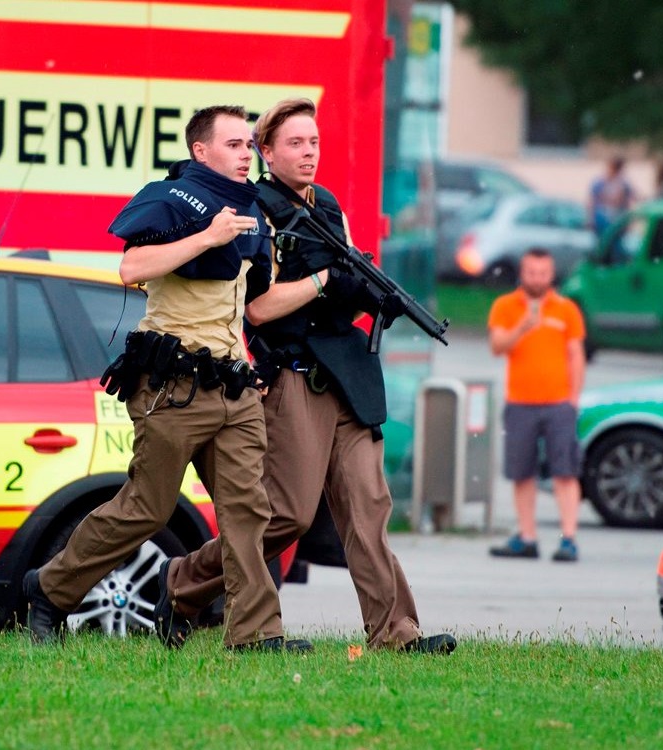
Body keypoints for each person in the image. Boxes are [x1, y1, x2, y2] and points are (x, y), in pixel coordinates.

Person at [153, 99, 455, 655]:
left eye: (313, 142)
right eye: (294, 143)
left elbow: (343, 285)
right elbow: (260, 307)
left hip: (348, 376)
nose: (308, 152)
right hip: (293, 375)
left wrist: (368, 295)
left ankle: (396, 633)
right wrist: (323, 282)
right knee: (286, 512)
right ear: (266, 153)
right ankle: (183, 582)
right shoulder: (257, 210)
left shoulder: (330, 207)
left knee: (368, 510)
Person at [24, 105, 299, 652]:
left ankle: (256, 634)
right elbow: (132, 268)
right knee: (146, 508)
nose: (247, 154)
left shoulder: (254, 215)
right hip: (174, 387)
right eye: (234, 144)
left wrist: (266, 355)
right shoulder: (169, 198)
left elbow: (252, 303)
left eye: (250, 145)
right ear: (202, 151)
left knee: (249, 511)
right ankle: (50, 590)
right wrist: (207, 236)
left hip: (234, 388)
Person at [487, 249, 586, 562]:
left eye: (543, 273)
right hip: (520, 402)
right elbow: (497, 346)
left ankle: (568, 537)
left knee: (564, 472)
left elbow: (576, 354)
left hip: (558, 403)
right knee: (522, 472)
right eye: (531, 272)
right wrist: (523, 327)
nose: (537, 279)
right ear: (523, 272)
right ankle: (527, 536)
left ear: (551, 274)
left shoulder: (566, 309)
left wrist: (573, 398)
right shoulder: (505, 306)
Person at [588, 157, 633, 237]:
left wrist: (627, 222)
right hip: (602, 219)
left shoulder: (624, 184)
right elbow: (592, 202)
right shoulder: (599, 183)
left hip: (617, 219)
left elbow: (627, 202)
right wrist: (591, 219)